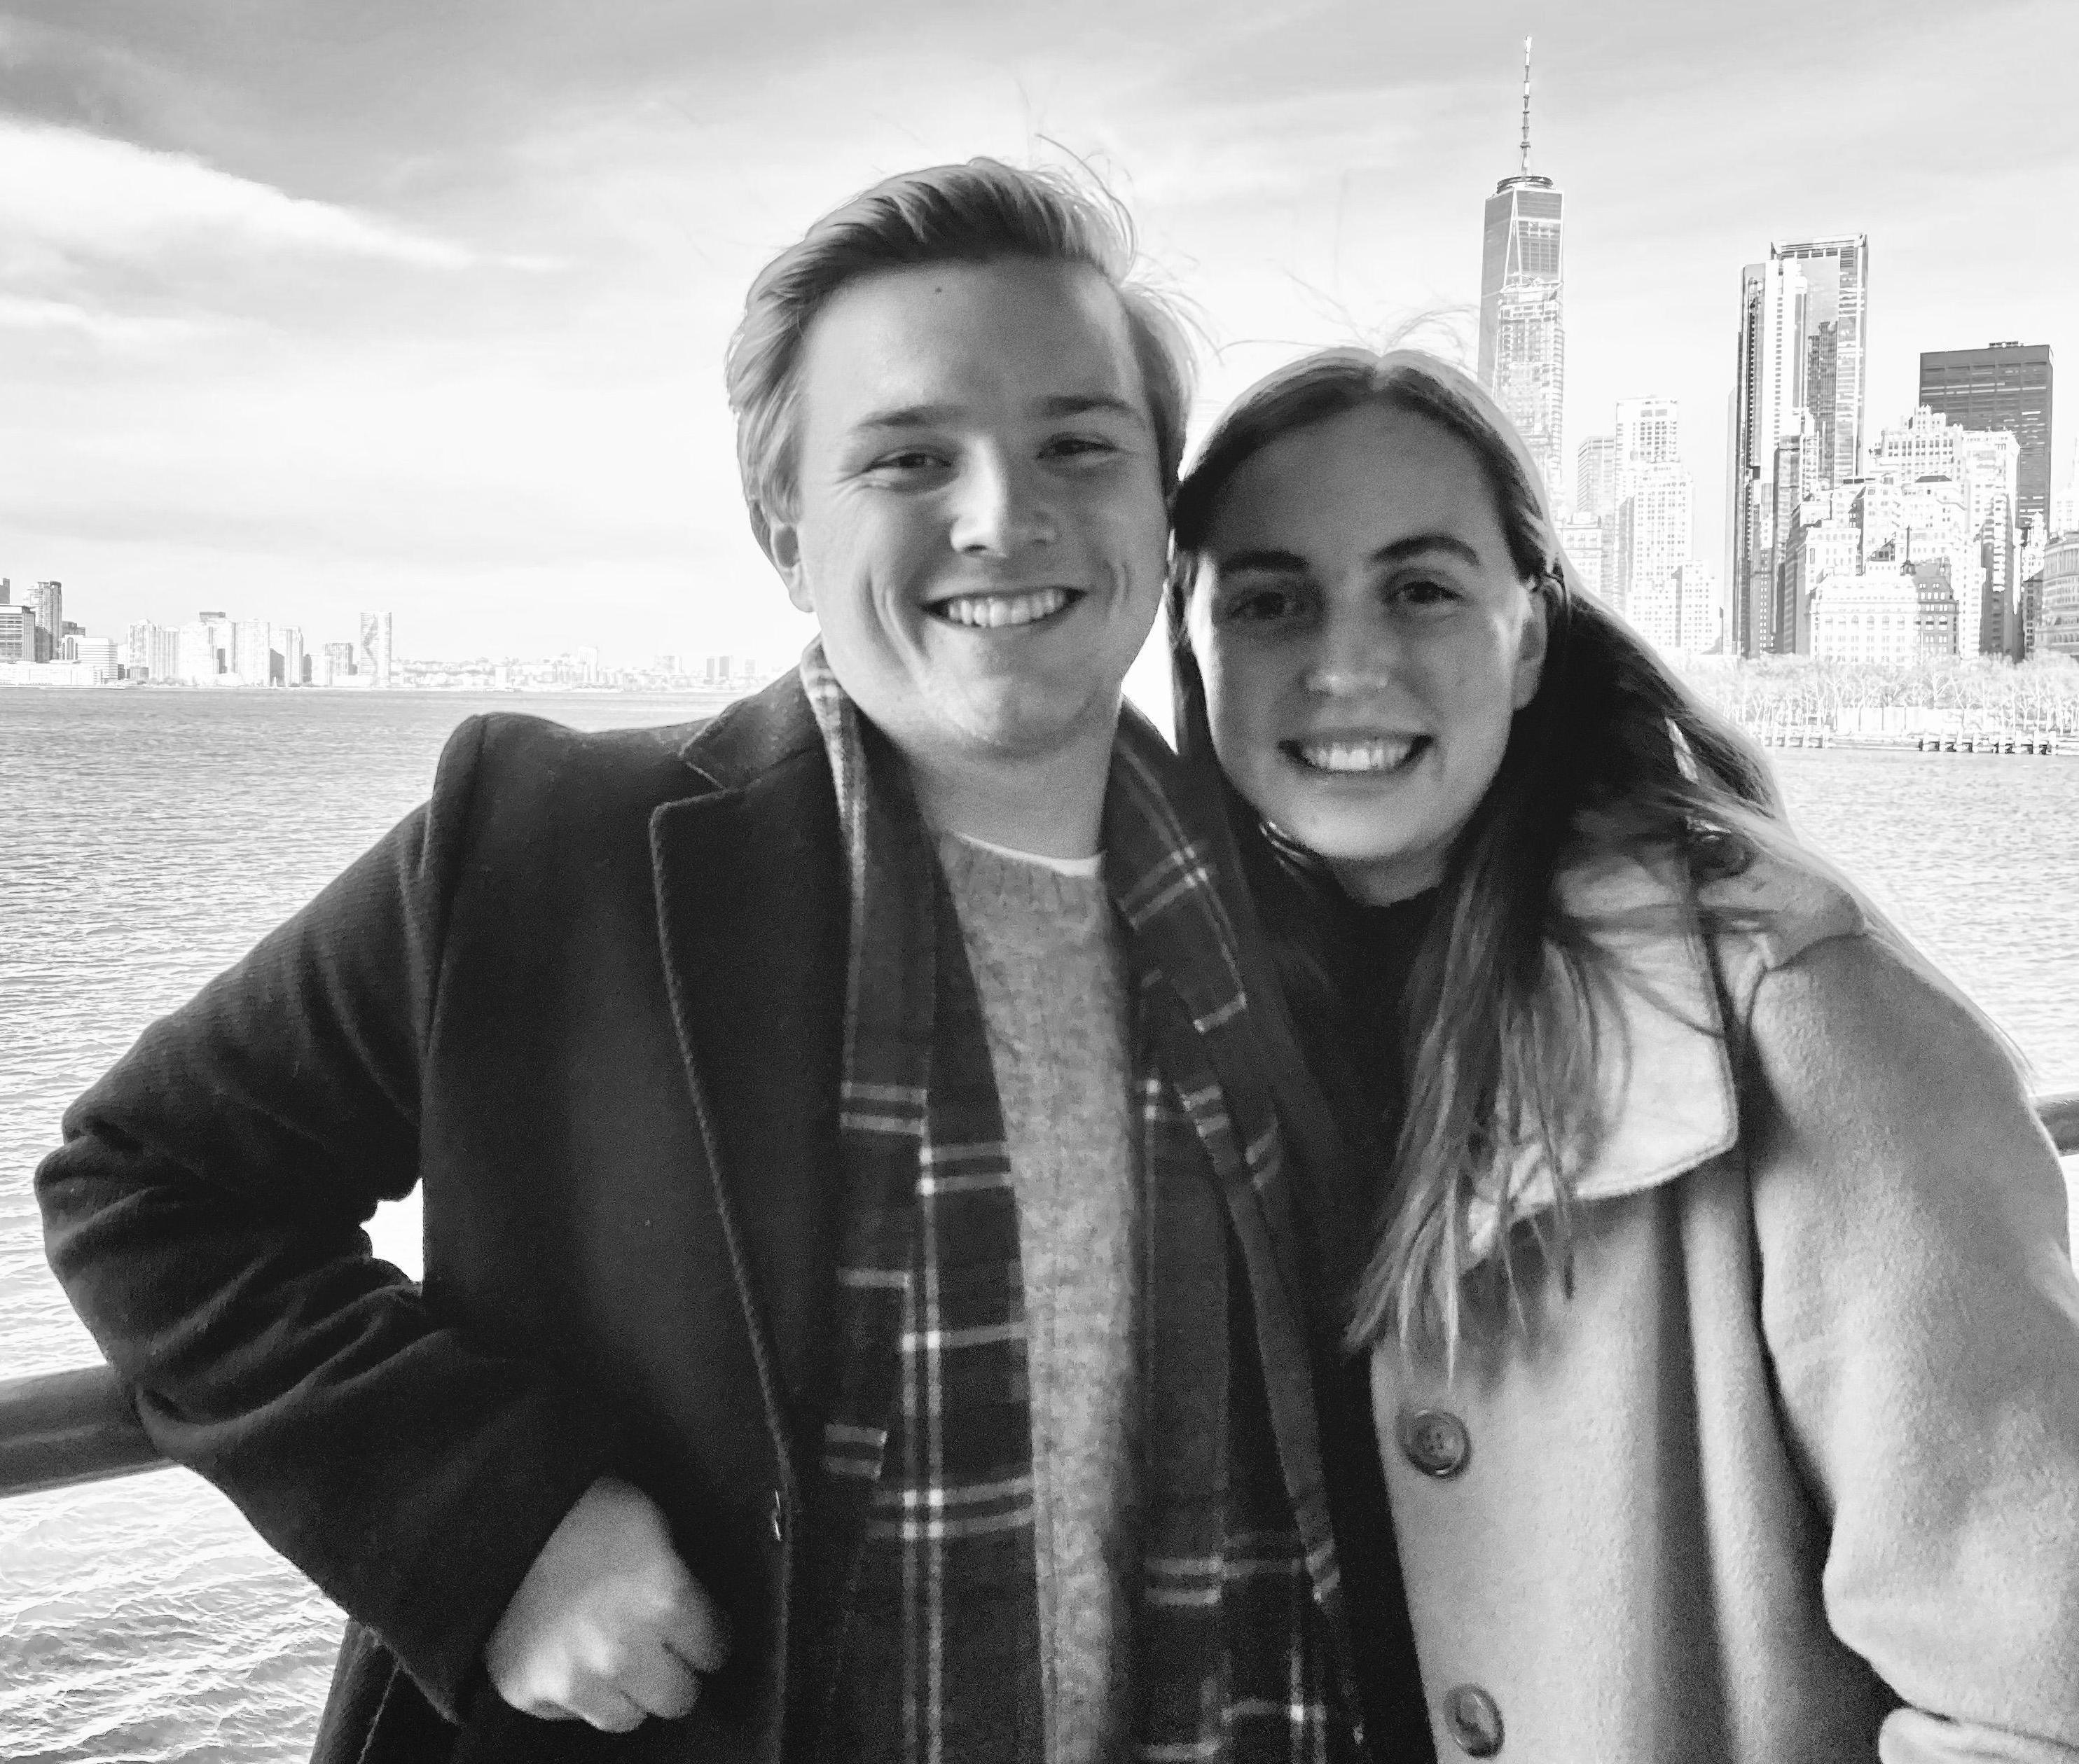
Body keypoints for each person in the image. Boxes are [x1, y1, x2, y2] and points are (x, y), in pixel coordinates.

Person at [37, 163, 1367, 1764]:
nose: (1002, 513)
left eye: (1078, 443)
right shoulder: (552, 850)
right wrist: (491, 1524)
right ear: (785, 528)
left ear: (1163, 510)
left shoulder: (1286, 917)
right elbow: (148, 1180)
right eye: (907, 454)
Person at [1168, 344, 2079, 1762]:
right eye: (1271, 599)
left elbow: (2031, 1686)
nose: (1344, 663)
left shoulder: (1798, 1010)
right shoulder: (1188, 1001)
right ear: (1193, 647)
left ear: (1526, 634)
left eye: (1418, 586)